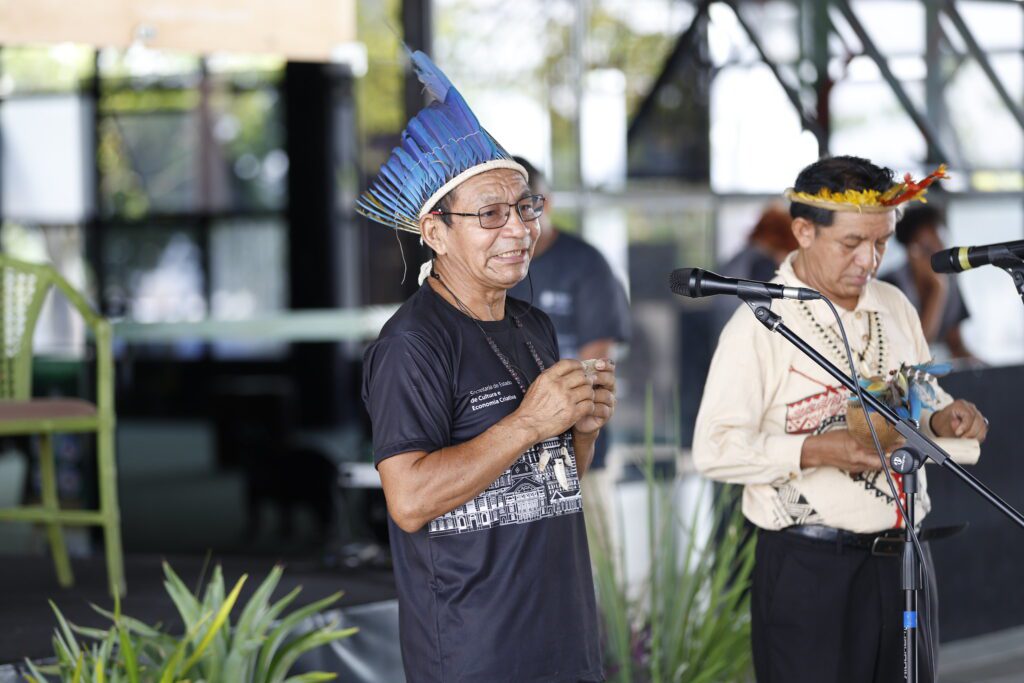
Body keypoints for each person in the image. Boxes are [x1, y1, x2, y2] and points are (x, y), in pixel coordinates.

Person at [358, 51, 614, 683]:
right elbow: (410, 500)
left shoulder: (533, 325)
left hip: (565, 635)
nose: (518, 229)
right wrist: (529, 423)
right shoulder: (412, 343)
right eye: (490, 214)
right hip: (476, 651)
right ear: (434, 231)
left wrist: (581, 429)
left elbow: (554, 482)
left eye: (526, 208)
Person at [693, 156, 989, 683]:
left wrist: (948, 419)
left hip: (905, 559)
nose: (868, 260)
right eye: (851, 243)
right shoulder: (758, 324)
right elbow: (714, 449)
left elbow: (923, 391)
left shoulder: (895, 305)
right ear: (803, 231)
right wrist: (818, 451)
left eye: (881, 243)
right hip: (812, 569)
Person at [508, 157, 630, 469]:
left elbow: (596, 368)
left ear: (545, 206)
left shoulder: (586, 265)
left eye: (527, 208)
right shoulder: (497, 269)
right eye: (498, 212)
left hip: (578, 451)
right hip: (507, 451)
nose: (515, 227)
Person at [883, 204, 975, 359]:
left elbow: (955, 343)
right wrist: (938, 290)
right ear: (912, 253)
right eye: (928, 249)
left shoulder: (950, 281)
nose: (938, 256)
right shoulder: (890, 285)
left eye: (941, 246)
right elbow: (916, 349)